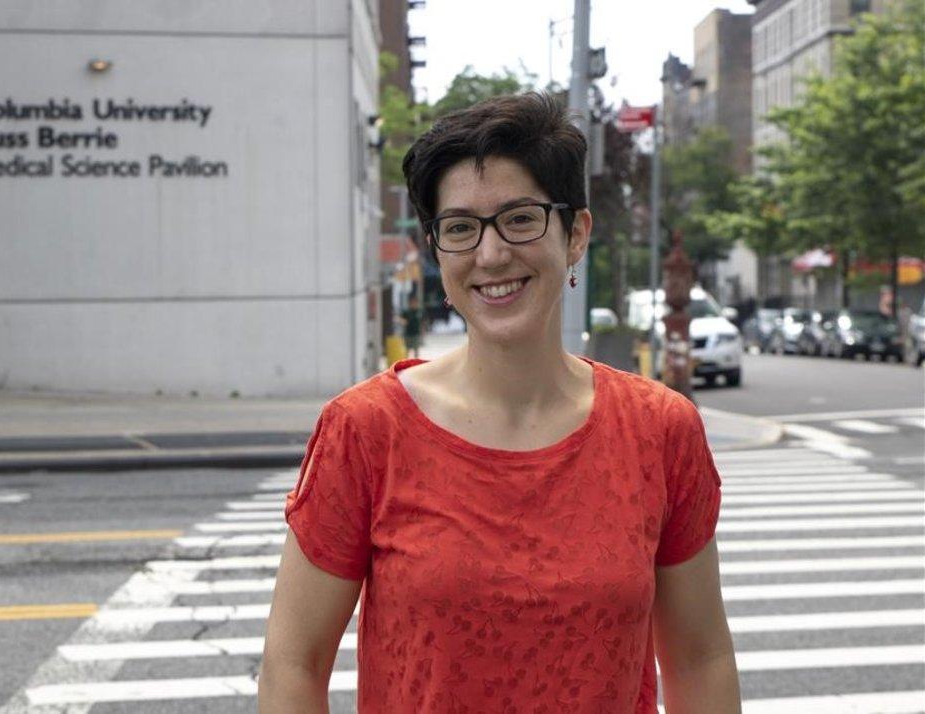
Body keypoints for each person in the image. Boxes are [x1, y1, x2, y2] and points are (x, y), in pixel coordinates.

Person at [259, 93, 739, 713]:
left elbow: (701, 658)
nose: (490, 255)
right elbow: (292, 664)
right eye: (460, 228)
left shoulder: (659, 430)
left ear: (576, 235)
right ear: (436, 249)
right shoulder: (367, 430)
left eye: (520, 218)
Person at [399, 294, 424, 358]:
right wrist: (403, 321)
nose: (414, 304)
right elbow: (401, 320)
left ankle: (416, 362)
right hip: (408, 333)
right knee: (407, 350)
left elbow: (422, 322)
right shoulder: (406, 311)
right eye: (412, 302)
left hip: (416, 333)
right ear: (409, 303)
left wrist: (423, 332)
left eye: (415, 302)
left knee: (416, 350)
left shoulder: (420, 311)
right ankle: (407, 362)